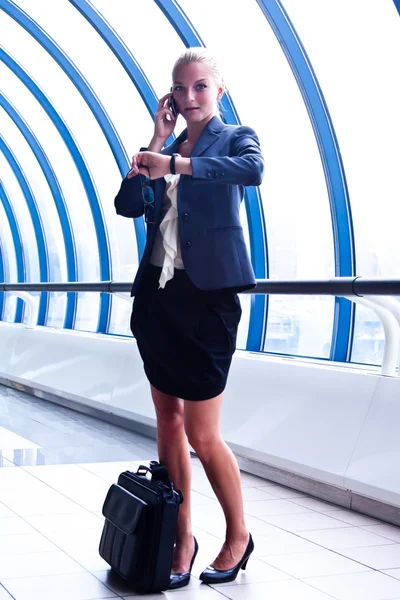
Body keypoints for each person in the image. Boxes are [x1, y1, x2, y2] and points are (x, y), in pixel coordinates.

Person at [114, 47, 264, 589]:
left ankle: (238, 534)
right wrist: (156, 143)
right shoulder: (164, 146)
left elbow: (252, 170)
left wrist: (176, 164)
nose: (191, 96)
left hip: (208, 301)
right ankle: (181, 538)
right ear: (170, 97)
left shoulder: (236, 138)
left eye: (201, 86)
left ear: (218, 91)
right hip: (159, 299)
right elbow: (128, 204)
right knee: (168, 422)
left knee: (202, 432)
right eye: (181, 89)